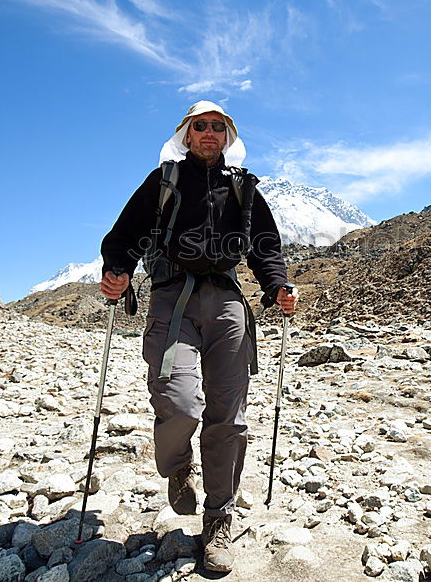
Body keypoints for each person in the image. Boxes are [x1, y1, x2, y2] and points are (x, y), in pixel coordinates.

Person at [100, 100, 297, 573]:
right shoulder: (163, 182)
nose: (209, 134)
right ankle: (178, 467)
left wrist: (277, 285)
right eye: (200, 127)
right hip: (173, 298)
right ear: (187, 135)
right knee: (180, 401)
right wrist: (117, 270)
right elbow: (124, 235)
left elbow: (265, 246)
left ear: (227, 136)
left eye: (217, 128)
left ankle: (218, 521)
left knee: (229, 412)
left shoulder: (243, 189)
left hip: (227, 301)